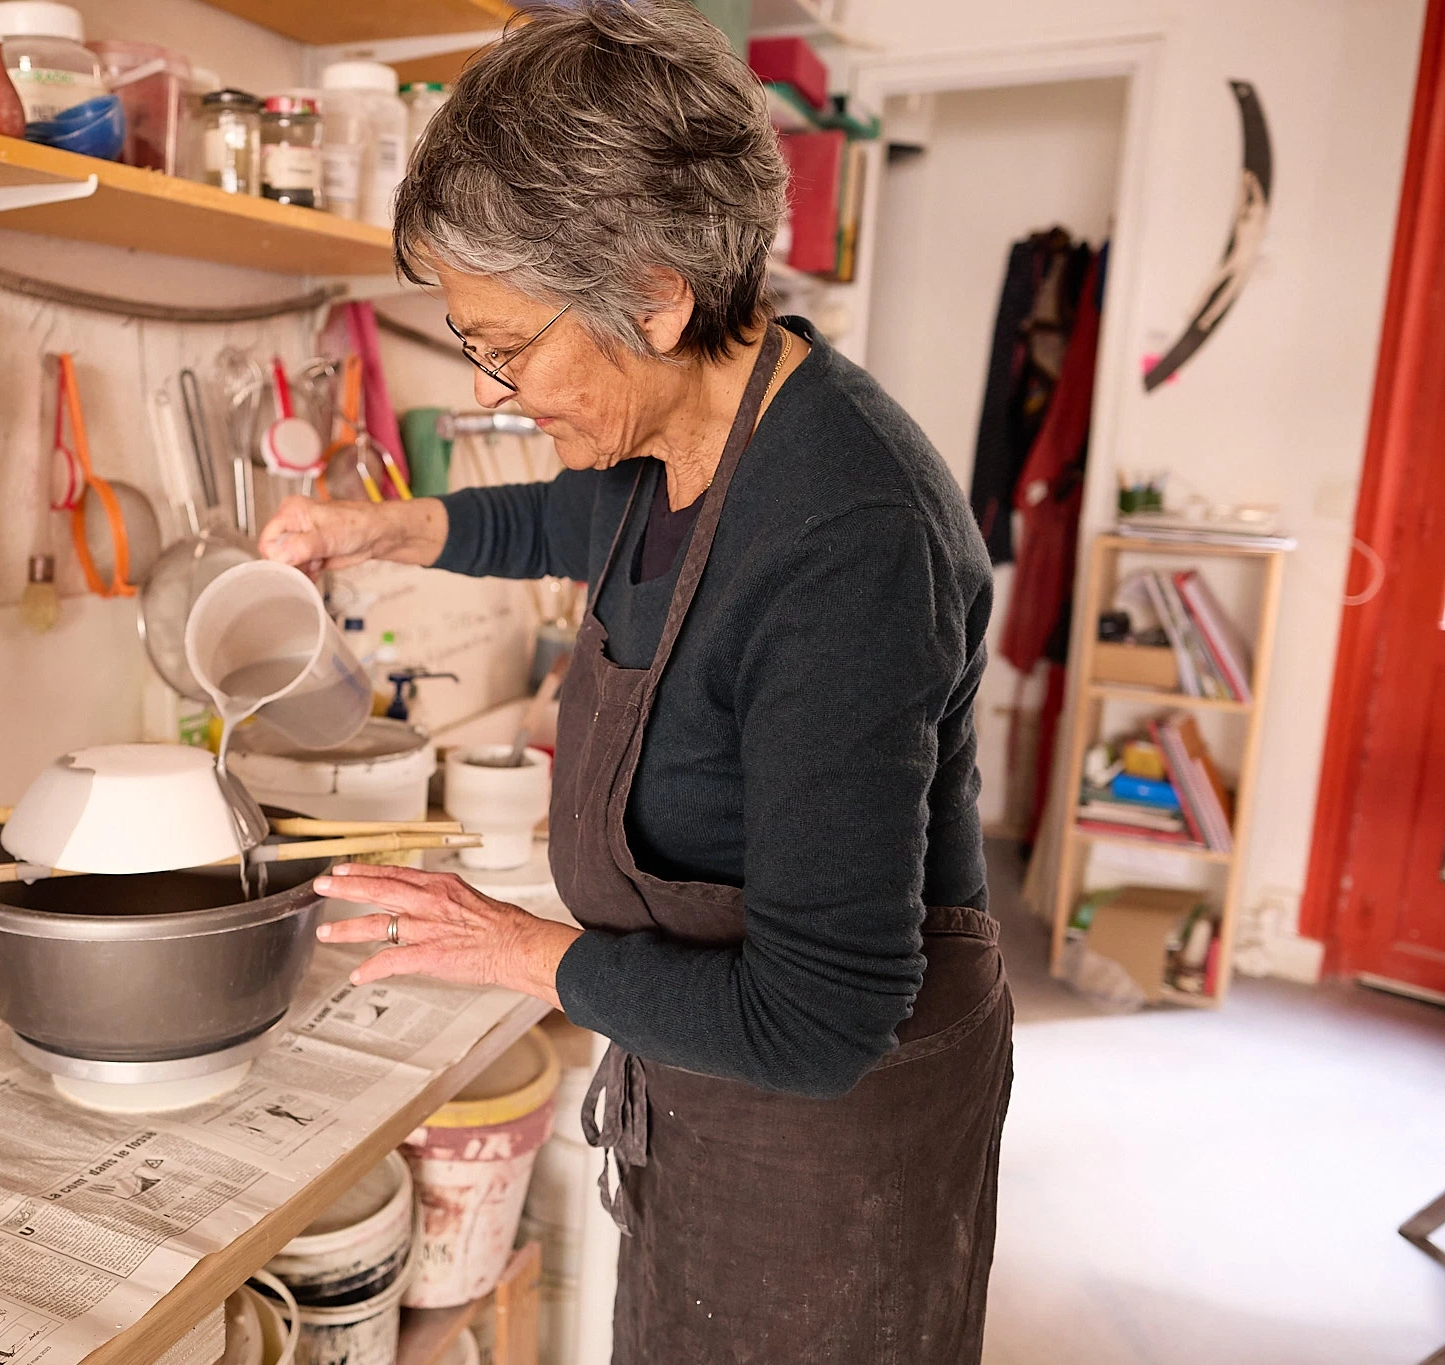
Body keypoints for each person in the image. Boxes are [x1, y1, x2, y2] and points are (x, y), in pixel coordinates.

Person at [256, 3, 1012, 1360]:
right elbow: (563, 517)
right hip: (701, 1075)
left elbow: (822, 1018)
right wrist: (382, 528)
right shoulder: (682, 430)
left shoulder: (850, 541)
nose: (495, 387)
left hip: (839, 1138)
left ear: (657, 294)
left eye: (505, 343)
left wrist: (522, 951)